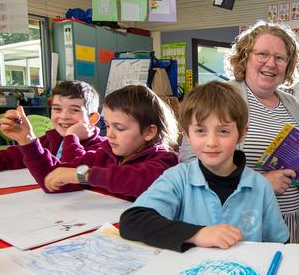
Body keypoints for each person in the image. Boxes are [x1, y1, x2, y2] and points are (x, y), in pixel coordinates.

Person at [179, 21, 299, 244]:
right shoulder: (222, 97)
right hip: (244, 222)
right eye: (262, 54)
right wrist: (261, 182)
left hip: (291, 218)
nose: (271, 63)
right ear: (245, 57)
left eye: (280, 58)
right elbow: (191, 160)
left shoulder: (291, 103)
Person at [120, 82, 289, 252]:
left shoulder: (261, 186)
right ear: (187, 134)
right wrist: (197, 234)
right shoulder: (177, 179)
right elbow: (132, 221)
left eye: (223, 131)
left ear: (241, 134)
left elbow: (280, 245)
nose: (211, 142)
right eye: (201, 131)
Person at [1, 85, 179, 200]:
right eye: (107, 126)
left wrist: (83, 175)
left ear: (149, 132)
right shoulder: (104, 154)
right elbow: (54, 178)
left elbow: (134, 179)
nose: (109, 134)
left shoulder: (165, 161)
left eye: (120, 128)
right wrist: (27, 140)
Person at [0, 80, 104, 176]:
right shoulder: (51, 139)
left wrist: (71, 137)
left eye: (74, 110)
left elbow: (71, 172)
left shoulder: (102, 149)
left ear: (92, 119)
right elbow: (11, 155)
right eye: (57, 109)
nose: (64, 116)